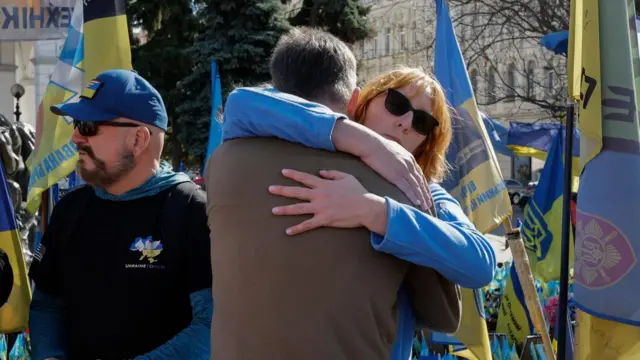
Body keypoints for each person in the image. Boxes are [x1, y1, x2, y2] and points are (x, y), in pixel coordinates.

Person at [206, 27, 484, 360]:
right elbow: (242, 106)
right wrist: (357, 138)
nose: (406, 123)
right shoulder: (318, 140)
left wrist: (374, 211)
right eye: (397, 104)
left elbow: (478, 263)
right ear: (361, 102)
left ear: (428, 141)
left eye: (423, 122)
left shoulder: (425, 193)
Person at [28, 69, 212, 360]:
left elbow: (210, 325)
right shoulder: (70, 210)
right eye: (77, 123)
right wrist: (50, 355)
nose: (76, 137)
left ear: (139, 139)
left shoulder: (192, 211)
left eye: (88, 125)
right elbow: (47, 304)